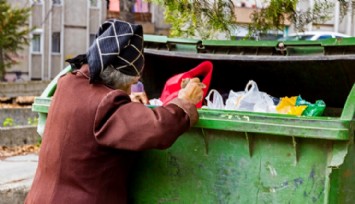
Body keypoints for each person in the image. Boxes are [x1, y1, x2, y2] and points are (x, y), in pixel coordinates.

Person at [25, 19, 205, 204]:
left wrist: (126, 104)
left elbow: (94, 116)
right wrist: (184, 101)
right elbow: (158, 128)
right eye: (131, 84)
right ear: (120, 79)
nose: (130, 90)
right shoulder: (107, 104)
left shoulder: (68, 83)